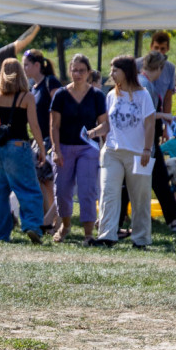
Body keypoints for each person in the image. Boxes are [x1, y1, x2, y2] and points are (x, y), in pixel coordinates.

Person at [86, 55, 156, 249]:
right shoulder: (111, 95)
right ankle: (107, 235)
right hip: (112, 152)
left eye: (115, 70)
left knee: (140, 197)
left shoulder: (143, 96)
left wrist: (147, 149)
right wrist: (92, 133)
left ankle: (141, 239)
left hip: (138, 153)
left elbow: (150, 124)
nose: (111, 74)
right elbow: (107, 124)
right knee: (109, 193)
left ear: (126, 72)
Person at [48, 54, 107, 243]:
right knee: (62, 190)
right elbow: (54, 126)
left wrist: (92, 133)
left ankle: (88, 233)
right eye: (75, 70)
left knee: (87, 190)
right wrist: (56, 150)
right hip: (64, 146)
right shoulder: (61, 95)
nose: (78, 74)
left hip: (88, 149)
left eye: (82, 70)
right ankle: (65, 224)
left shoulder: (97, 95)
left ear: (89, 72)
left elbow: (105, 125)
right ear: (70, 71)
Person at [0, 58, 46, 243]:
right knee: (28, 189)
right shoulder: (26, 97)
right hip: (19, 145)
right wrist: (42, 148)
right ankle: (32, 225)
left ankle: (0, 233)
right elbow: (34, 126)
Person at [137, 51, 176, 232]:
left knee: (157, 180)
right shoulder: (146, 85)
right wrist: (166, 115)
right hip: (146, 142)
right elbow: (146, 116)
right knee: (154, 180)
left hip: (148, 141)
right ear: (159, 68)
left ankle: (173, 218)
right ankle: (173, 219)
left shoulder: (143, 83)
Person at [22, 49, 61, 229]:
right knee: (43, 181)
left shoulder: (50, 82)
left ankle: (55, 220)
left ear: (37, 65)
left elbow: (61, 106)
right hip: (39, 141)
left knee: (51, 181)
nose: (24, 68)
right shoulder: (33, 87)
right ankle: (50, 219)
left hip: (51, 139)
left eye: (26, 65)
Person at [136, 31, 176, 127]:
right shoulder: (137, 64)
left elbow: (168, 98)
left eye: (162, 49)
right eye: (156, 48)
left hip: (157, 111)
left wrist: (167, 126)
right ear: (151, 46)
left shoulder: (170, 68)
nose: (159, 52)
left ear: (168, 49)